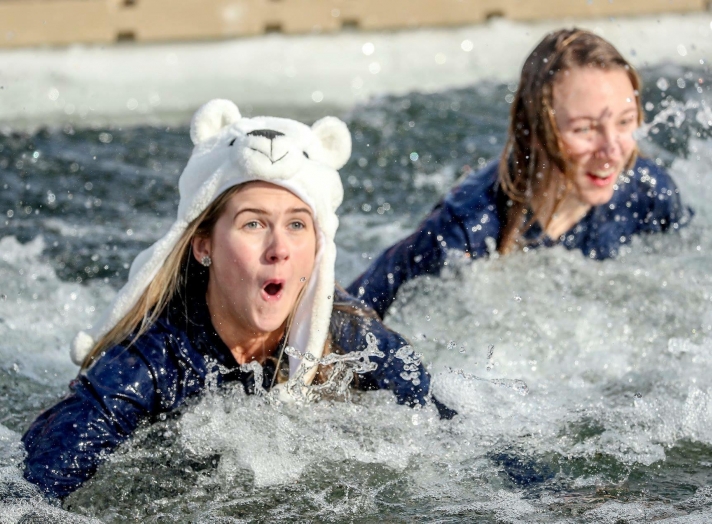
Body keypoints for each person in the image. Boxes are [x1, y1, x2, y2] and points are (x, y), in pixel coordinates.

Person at [22, 100, 454, 500]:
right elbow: (32, 496)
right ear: (204, 245)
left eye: (297, 225)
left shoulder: (351, 337)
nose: (279, 248)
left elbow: (457, 441)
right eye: (253, 224)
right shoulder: (151, 358)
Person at [348, 28, 693, 319]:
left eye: (624, 122)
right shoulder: (467, 229)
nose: (612, 150)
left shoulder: (648, 193)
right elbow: (351, 315)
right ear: (536, 129)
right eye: (586, 129)